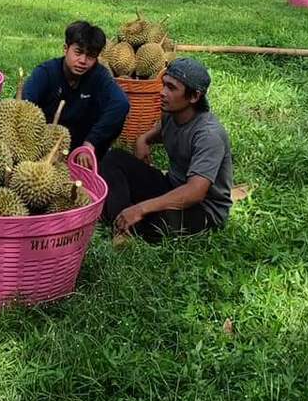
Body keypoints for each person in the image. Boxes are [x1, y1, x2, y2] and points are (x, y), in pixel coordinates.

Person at [98, 56, 233, 243]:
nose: (162, 92)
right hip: (171, 186)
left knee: (155, 222)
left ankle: (123, 221)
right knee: (114, 159)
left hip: (203, 209)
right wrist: (143, 139)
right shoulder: (171, 114)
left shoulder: (209, 135)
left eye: (171, 88)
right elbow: (160, 132)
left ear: (194, 96)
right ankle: (123, 223)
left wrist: (141, 208)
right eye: (164, 85)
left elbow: (195, 192)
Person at [21, 20, 130, 155]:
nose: (83, 61)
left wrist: (91, 142)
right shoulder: (46, 72)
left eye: (90, 56)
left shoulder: (99, 76)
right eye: (78, 52)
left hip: (83, 147)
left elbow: (121, 103)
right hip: (44, 145)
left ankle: (96, 158)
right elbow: (23, 103)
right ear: (66, 49)